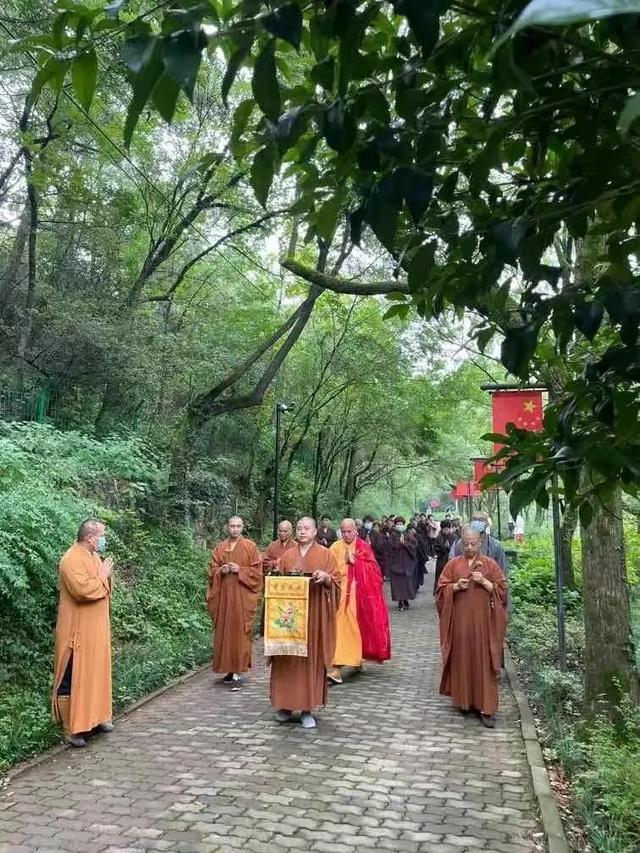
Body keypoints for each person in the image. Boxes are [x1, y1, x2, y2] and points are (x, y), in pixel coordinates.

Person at [269, 517, 341, 729]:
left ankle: (307, 709)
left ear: (315, 531)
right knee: (287, 660)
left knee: (310, 660)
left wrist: (326, 577)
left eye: (306, 528)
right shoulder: (287, 556)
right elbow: (275, 581)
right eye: (299, 528)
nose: (302, 532)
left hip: (313, 619)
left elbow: (337, 582)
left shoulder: (325, 555)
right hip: (290, 621)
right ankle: (285, 706)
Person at [436, 526, 507, 728]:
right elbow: (441, 591)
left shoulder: (490, 564)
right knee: (463, 659)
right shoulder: (453, 565)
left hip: (484, 625)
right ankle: (465, 701)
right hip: (461, 625)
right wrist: (454, 587)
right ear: (460, 542)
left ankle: (487, 708)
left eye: (473, 543)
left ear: (480, 542)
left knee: (484, 661)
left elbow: (502, 591)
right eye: (465, 543)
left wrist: (486, 583)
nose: (469, 547)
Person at [52, 519, 114, 748]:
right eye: (101, 535)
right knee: (73, 676)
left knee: (96, 673)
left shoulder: (95, 557)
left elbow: (105, 588)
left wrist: (106, 575)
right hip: (76, 632)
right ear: (90, 537)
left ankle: (97, 719)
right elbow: (82, 591)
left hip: (97, 631)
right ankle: (71, 729)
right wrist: (103, 575)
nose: (104, 539)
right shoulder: (70, 559)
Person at [207, 516, 262, 689]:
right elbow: (211, 570)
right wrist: (220, 571)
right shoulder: (220, 547)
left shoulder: (250, 547)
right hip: (224, 598)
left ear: (242, 527)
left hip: (241, 598)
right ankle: (228, 670)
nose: (235, 529)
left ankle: (238, 671)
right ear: (227, 527)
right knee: (224, 632)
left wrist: (240, 570)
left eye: (238, 526)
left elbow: (257, 572)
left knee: (239, 633)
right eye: (232, 526)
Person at [327, 519, 363, 685]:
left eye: (350, 531)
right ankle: (337, 668)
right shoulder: (334, 547)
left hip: (360, 596)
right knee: (341, 629)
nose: (347, 535)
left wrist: (356, 563)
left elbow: (373, 571)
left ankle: (356, 658)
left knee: (357, 629)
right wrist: (345, 563)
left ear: (356, 531)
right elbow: (330, 570)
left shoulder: (363, 547)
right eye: (344, 532)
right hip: (340, 594)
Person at [449, 511, 508, 577]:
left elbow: (502, 572)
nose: (477, 522)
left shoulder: (496, 546)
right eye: (474, 519)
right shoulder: (460, 544)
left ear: (487, 524)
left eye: (481, 520)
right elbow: (454, 568)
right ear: (471, 523)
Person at [387, 516, 417, 611]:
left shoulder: (408, 534)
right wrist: (398, 544)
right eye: (398, 524)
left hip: (407, 564)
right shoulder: (393, 535)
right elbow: (389, 547)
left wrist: (406, 544)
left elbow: (414, 546)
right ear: (395, 525)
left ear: (404, 524)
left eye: (401, 524)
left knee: (406, 583)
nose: (399, 525)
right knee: (397, 584)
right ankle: (400, 601)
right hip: (396, 564)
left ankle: (405, 600)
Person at [433, 518, 457, 594]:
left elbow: (457, 548)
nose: (446, 531)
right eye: (445, 529)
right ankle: (439, 593)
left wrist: (449, 547)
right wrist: (444, 548)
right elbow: (436, 550)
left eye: (448, 529)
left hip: (451, 561)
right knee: (440, 577)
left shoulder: (453, 537)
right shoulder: (438, 538)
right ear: (442, 528)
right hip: (441, 561)